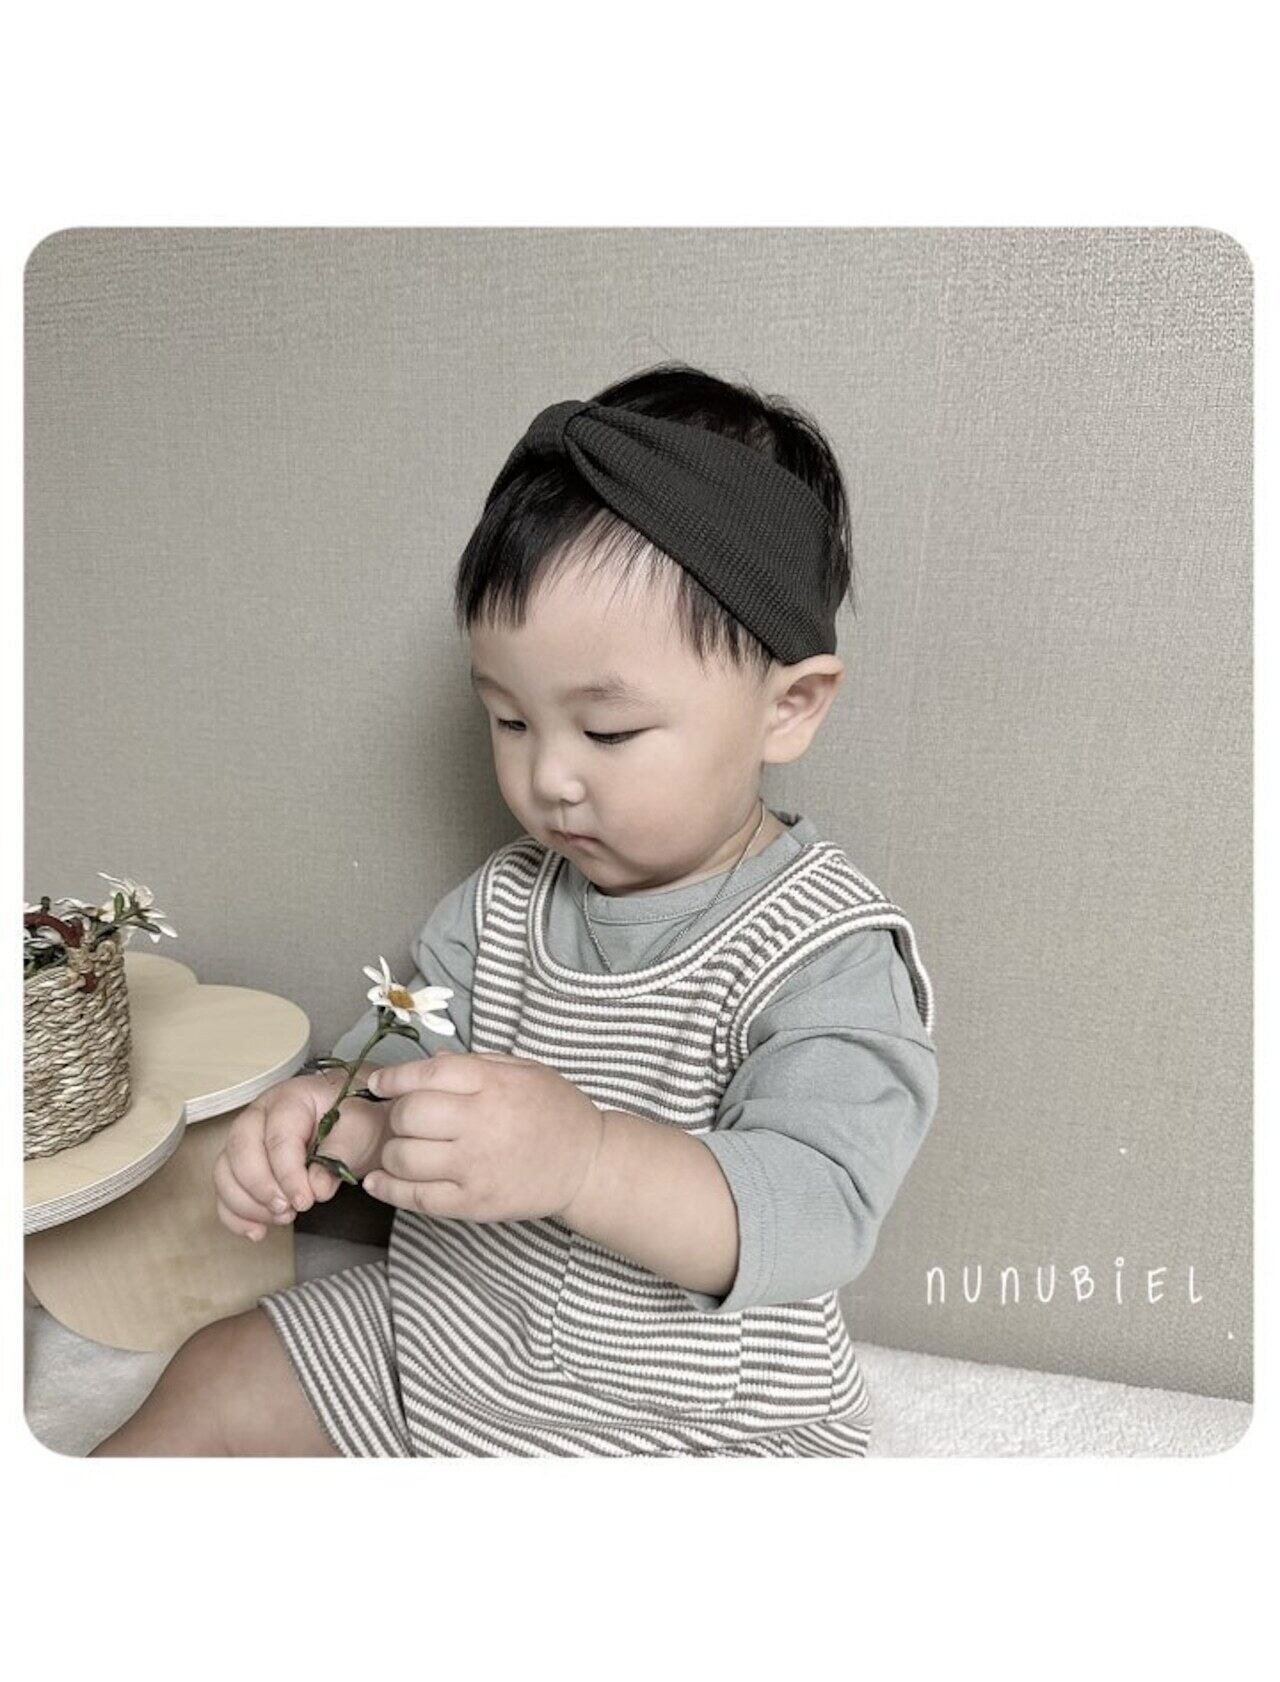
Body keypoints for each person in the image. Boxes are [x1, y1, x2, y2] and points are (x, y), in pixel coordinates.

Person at [89, 362, 938, 1458]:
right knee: (214, 1370)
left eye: (608, 731)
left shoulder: (825, 952)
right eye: (509, 719)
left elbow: (819, 1206)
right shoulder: (498, 906)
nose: (548, 778)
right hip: (447, 1335)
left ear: (788, 707)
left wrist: (584, 1158)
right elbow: (397, 1074)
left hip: (681, 1415)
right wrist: (327, 1123)